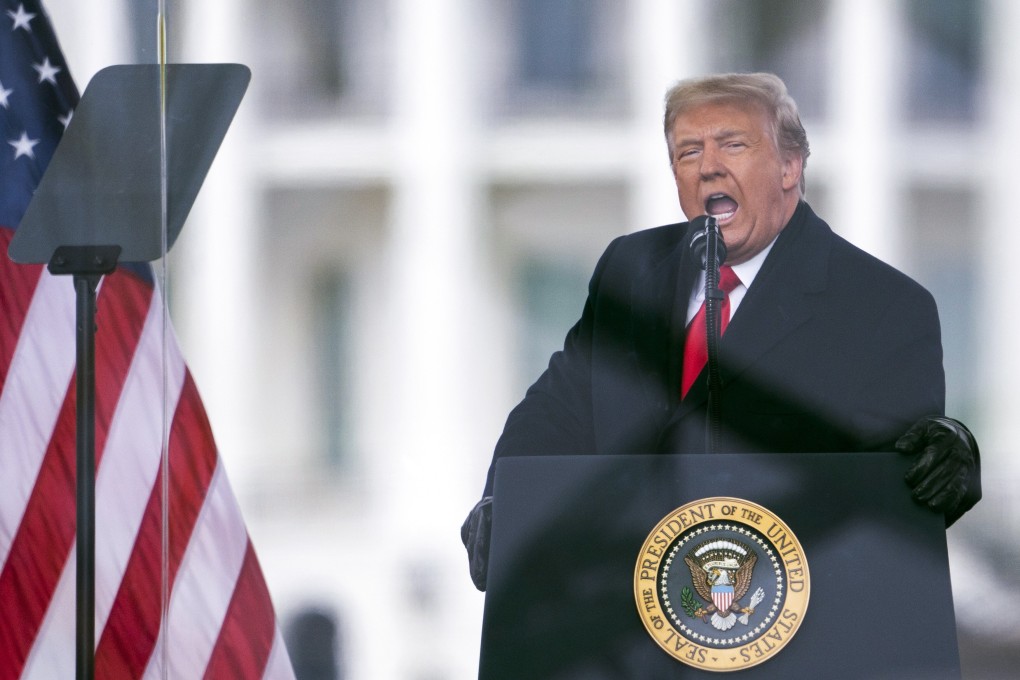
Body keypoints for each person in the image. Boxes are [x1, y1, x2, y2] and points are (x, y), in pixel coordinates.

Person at [461, 72, 980, 591]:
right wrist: (503, 502)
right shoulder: (631, 268)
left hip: (787, 623)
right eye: (688, 153)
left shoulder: (882, 305)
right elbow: (558, 410)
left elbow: (903, 477)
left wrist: (949, 452)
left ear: (789, 166)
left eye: (733, 144)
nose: (709, 167)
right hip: (622, 619)